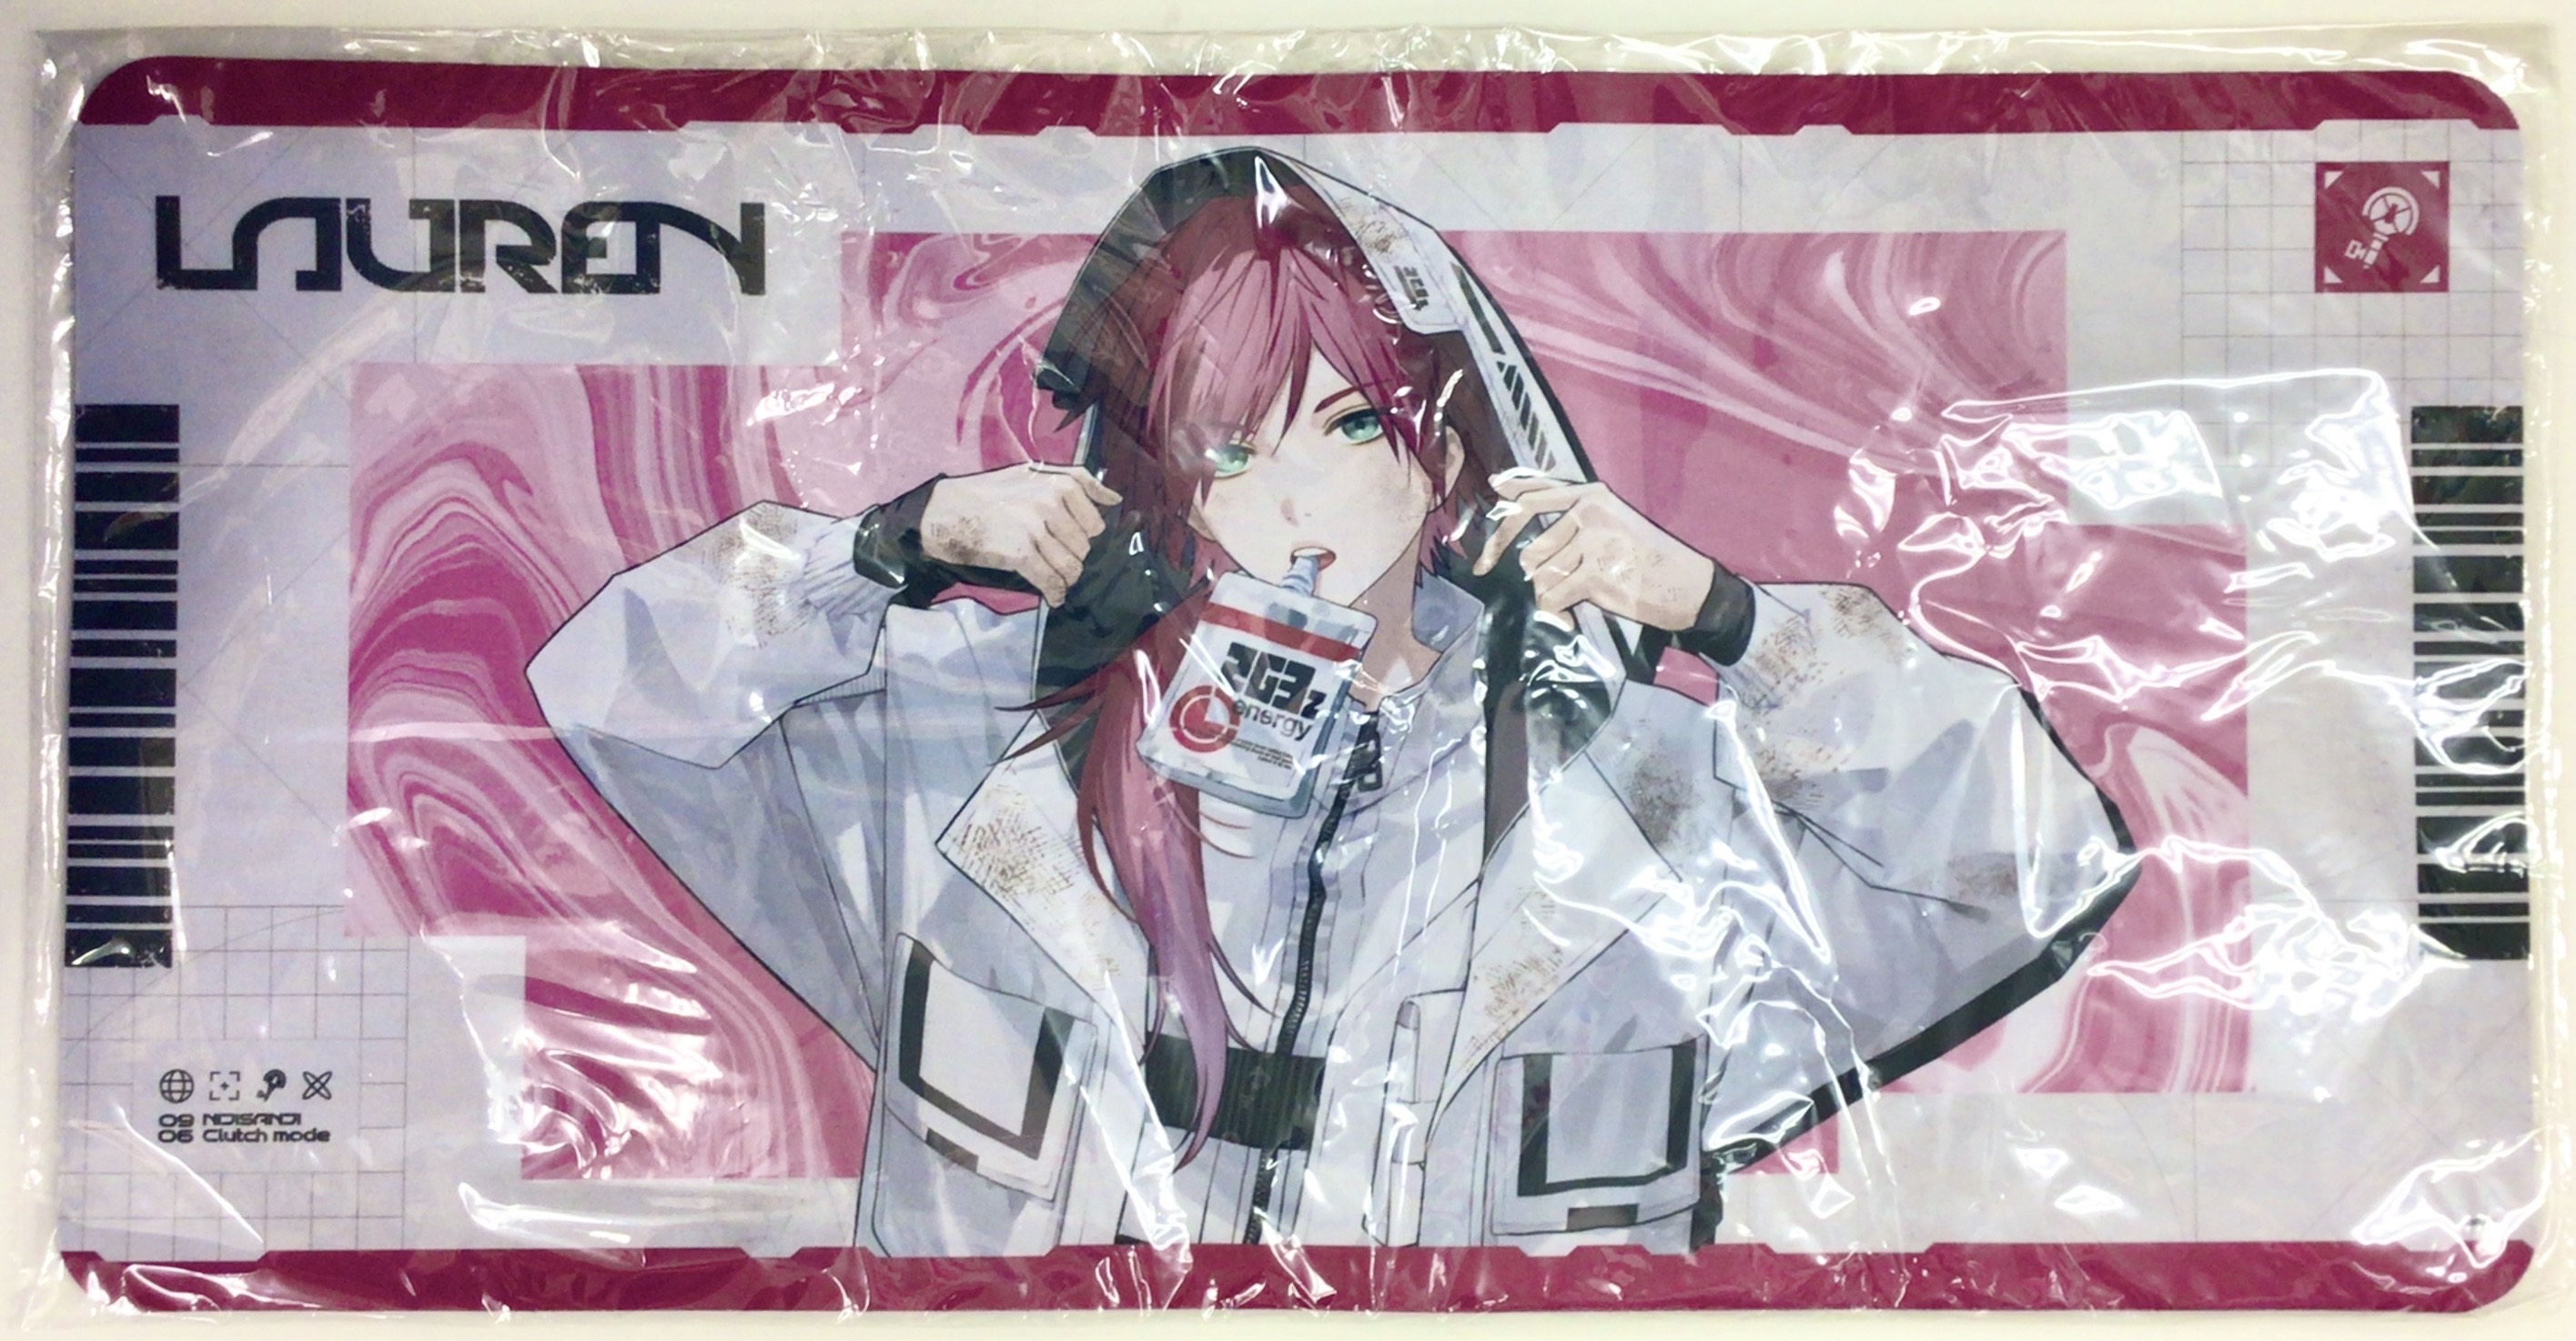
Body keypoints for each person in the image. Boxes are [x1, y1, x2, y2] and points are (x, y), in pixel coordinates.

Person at [527, 149, 2134, 1256]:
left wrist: (1729, 619)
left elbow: (2034, 860)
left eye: (1352, 424)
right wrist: (896, 544)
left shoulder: (1629, 787)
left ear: (1442, 450)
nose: (1296, 498)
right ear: (1161, 468)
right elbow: (616, 688)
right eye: (1229, 443)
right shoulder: (980, 739)